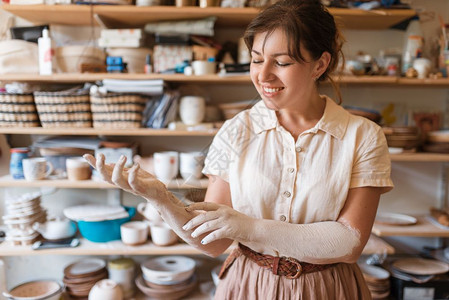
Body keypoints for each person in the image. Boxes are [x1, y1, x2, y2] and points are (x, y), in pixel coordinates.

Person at [84, 0, 393, 298]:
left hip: (327, 288)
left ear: (320, 64)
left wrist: (249, 227)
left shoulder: (362, 136)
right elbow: (214, 243)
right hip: (249, 284)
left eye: (282, 62)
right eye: (257, 59)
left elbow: (349, 243)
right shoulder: (236, 131)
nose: (263, 74)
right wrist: (160, 199)